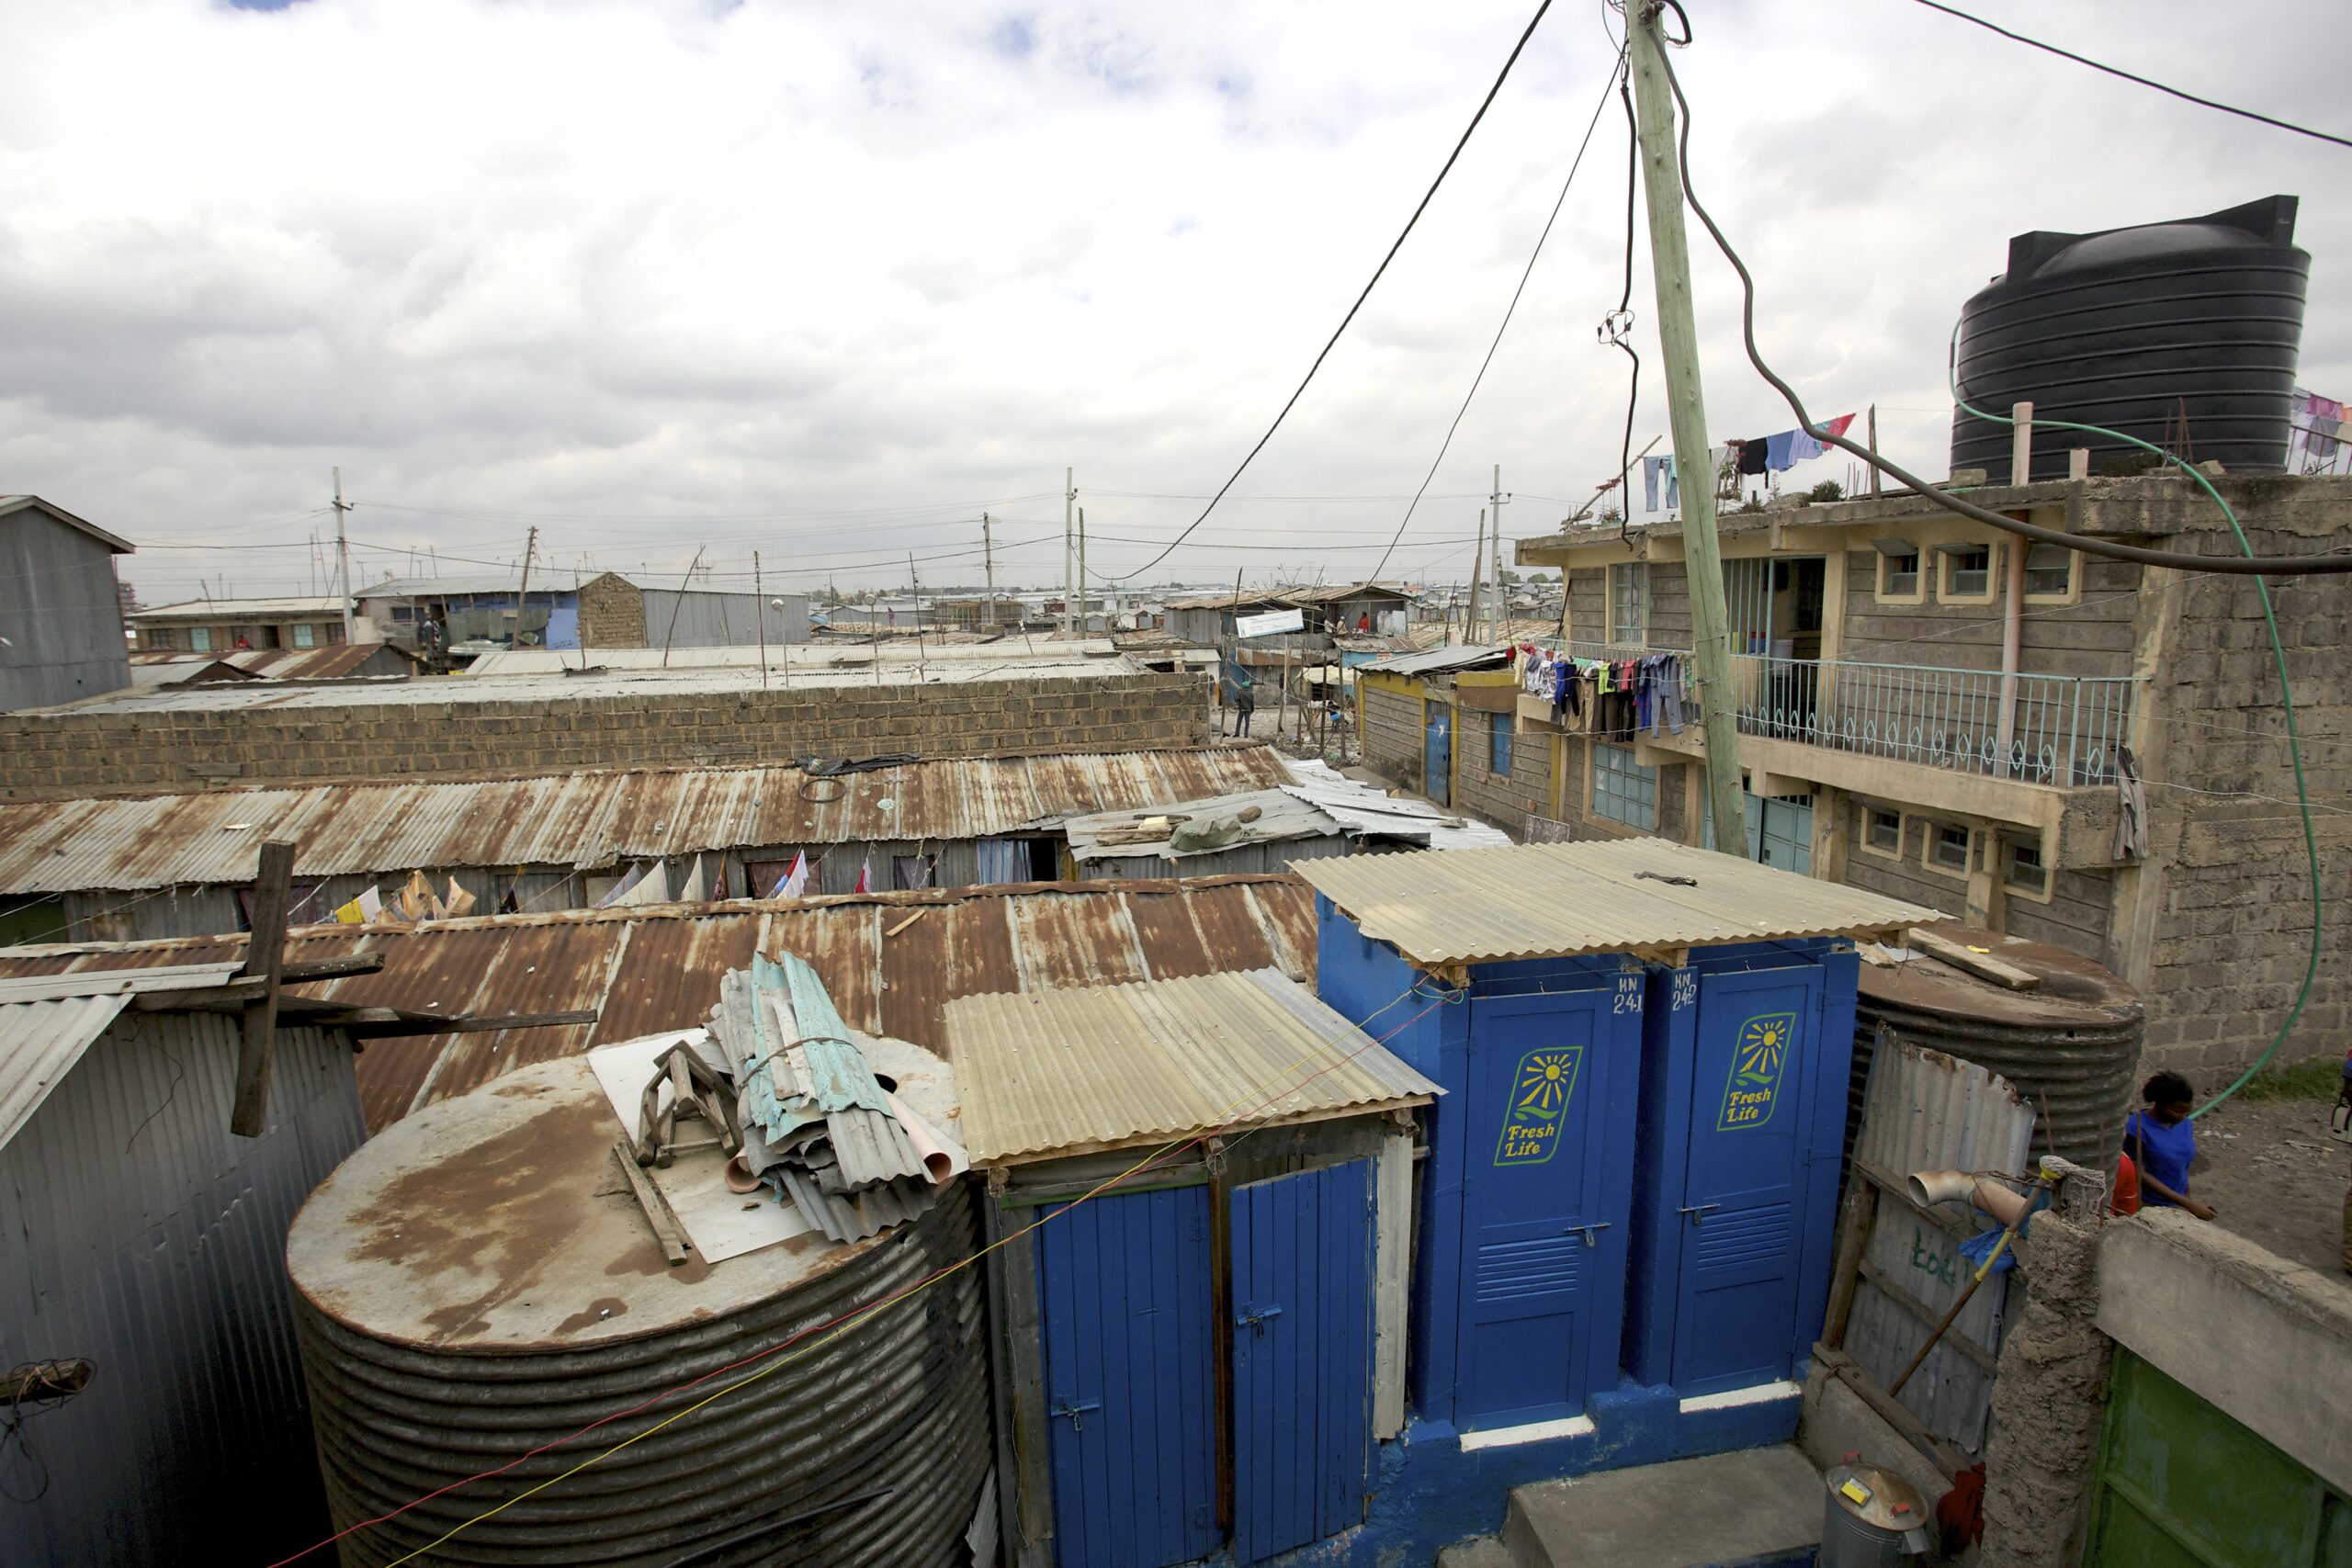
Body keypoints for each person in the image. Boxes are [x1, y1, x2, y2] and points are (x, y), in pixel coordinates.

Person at [2122, 1070, 2215, 1220]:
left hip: (2179, 1202)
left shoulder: (2185, 1124)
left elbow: (2181, 1166)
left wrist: (2188, 1203)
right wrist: (2188, 1204)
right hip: (2150, 1205)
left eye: (2187, 1111)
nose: (2183, 1116)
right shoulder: (2137, 1127)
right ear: (2160, 1104)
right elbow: (2139, 1173)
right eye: (2177, 1111)